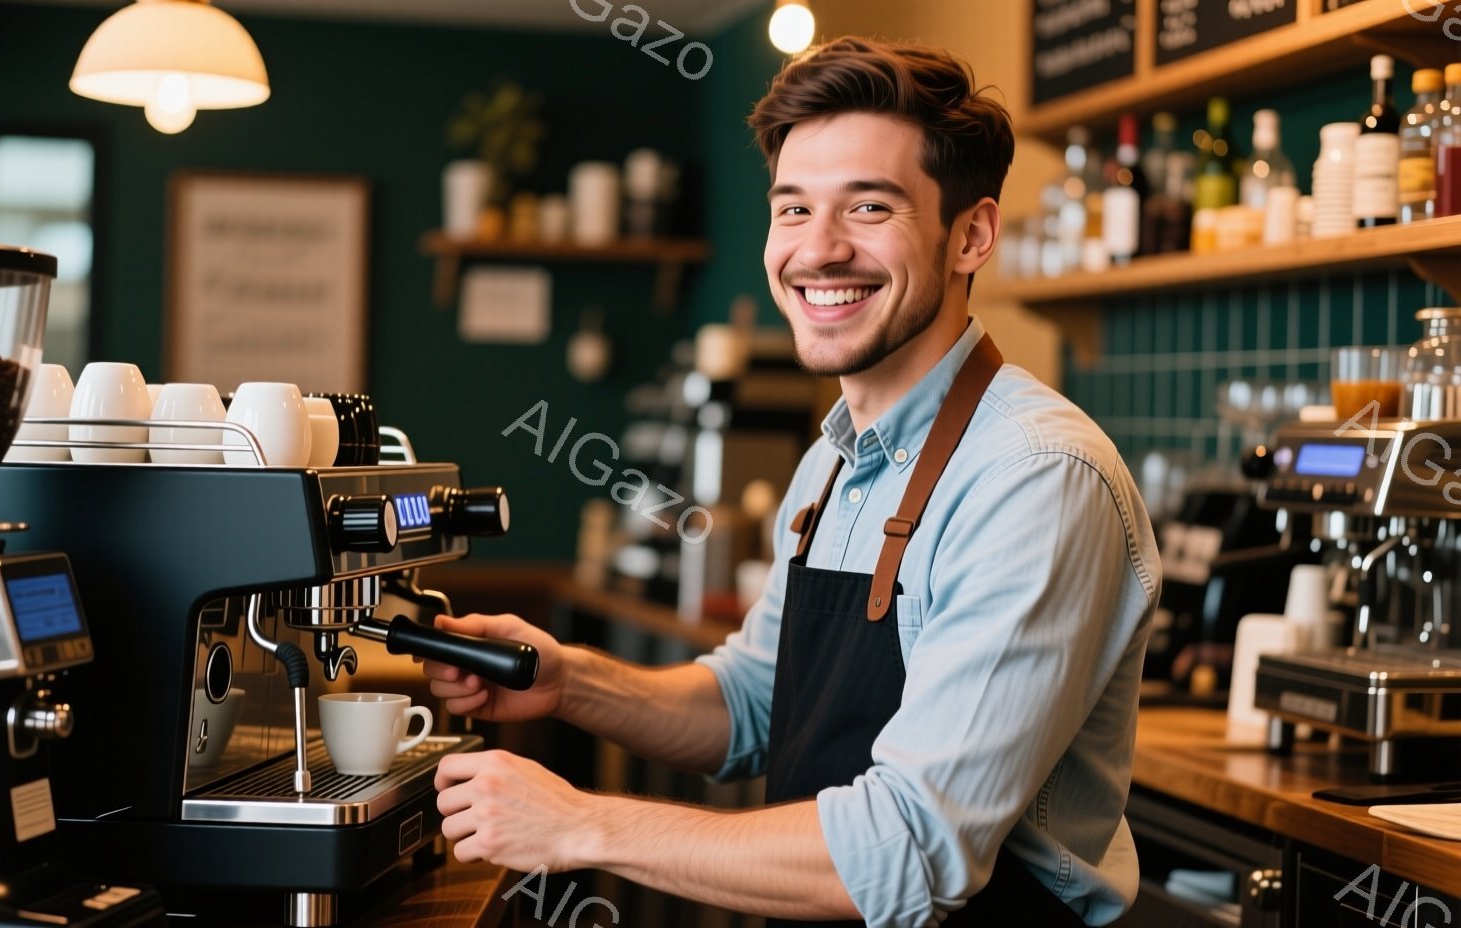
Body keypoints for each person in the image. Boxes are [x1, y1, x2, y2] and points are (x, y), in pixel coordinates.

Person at [425, 37, 1159, 927]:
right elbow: (749, 703)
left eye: (870, 207)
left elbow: (910, 850)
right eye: (794, 209)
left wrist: (580, 825)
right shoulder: (836, 459)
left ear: (972, 235)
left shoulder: (1033, 478)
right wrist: (568, 679)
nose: (819, 250)